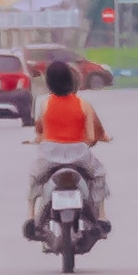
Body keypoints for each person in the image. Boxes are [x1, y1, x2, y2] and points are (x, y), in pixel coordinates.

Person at [19, 58, 110, 241]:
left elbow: (40, 130)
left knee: (35, 179)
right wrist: (102, 138)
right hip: (79, 154)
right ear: (72, 80)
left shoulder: (43, 103)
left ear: (49, 82)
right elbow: (93, 136)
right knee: (98, 175)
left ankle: (30, 215)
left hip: (49, 153)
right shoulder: (83, 104)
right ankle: (101, 216)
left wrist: (40, 139)